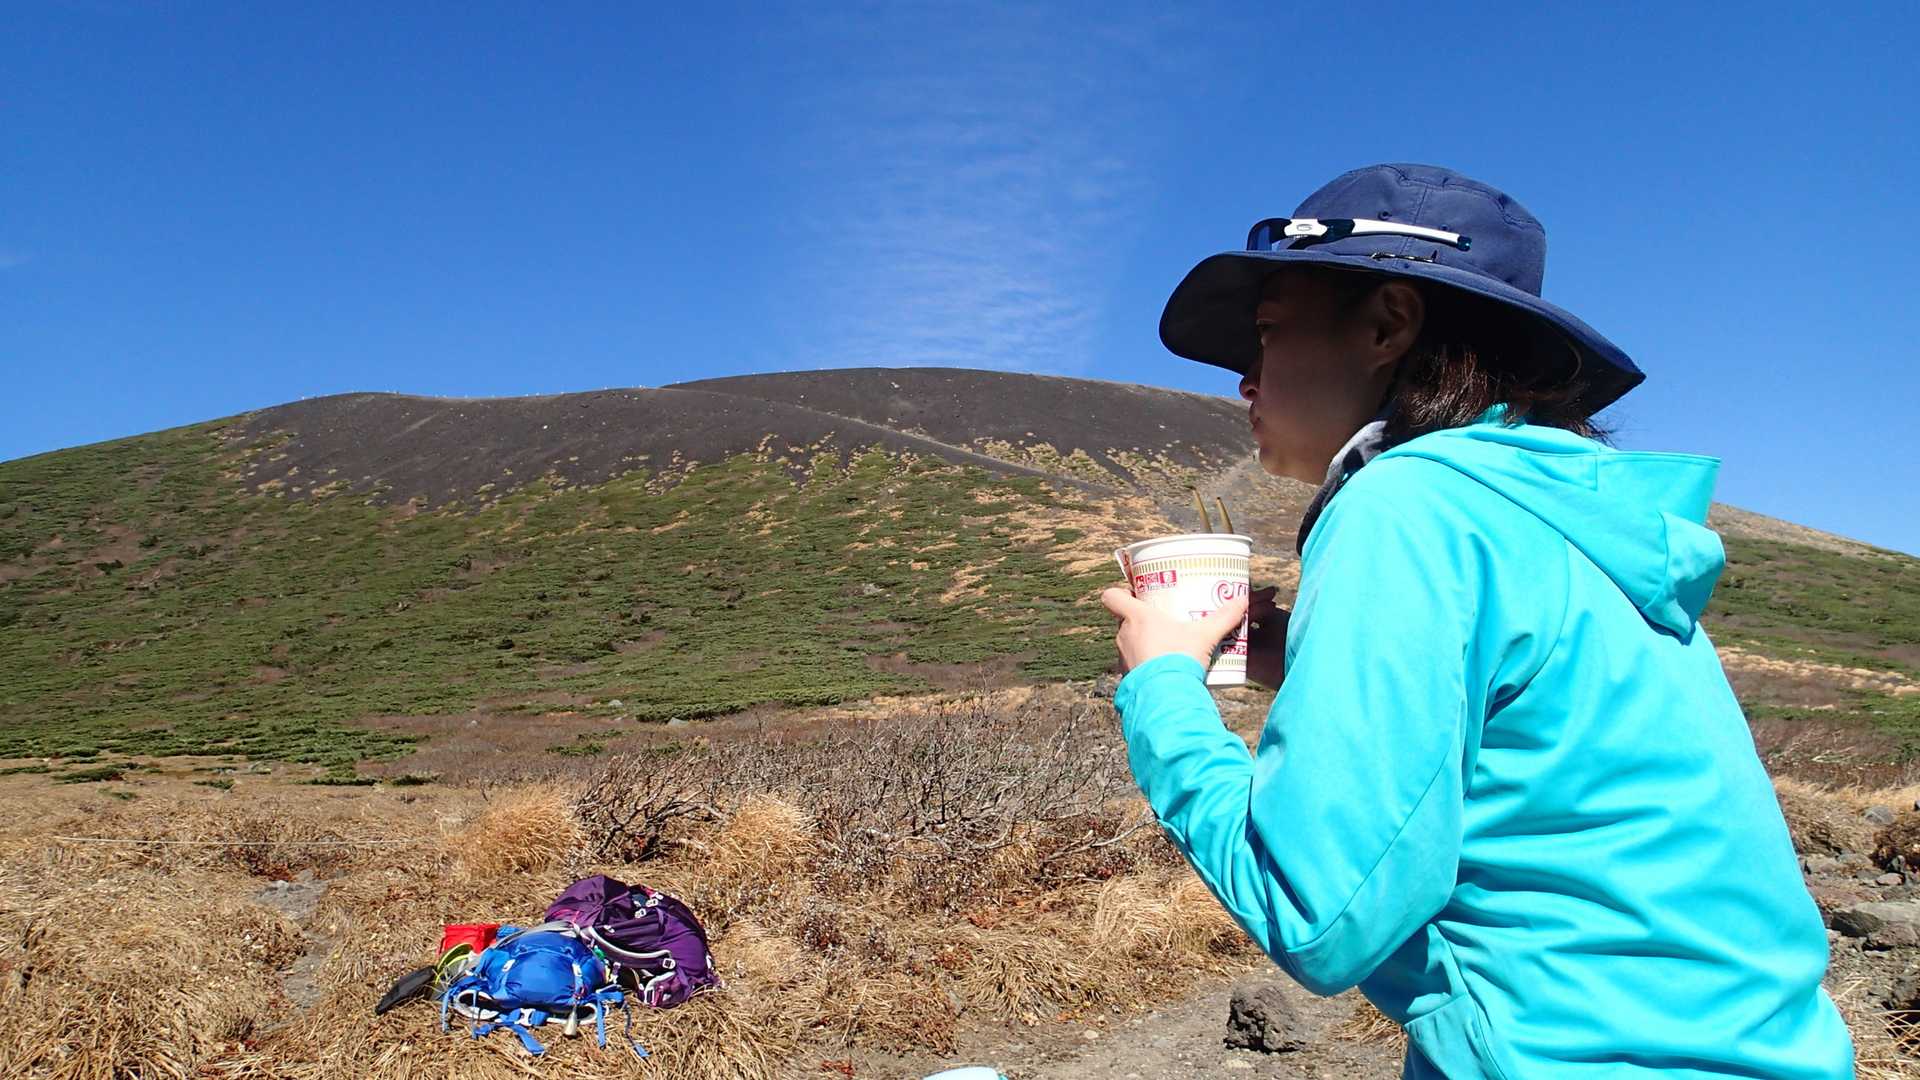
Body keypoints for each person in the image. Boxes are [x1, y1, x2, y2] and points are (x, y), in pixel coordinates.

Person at [1099, 164, 1853, 1078]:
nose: (1244, 381)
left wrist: (1163, 689)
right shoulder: (1558, 514)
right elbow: (1532, 740)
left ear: (1388, 325)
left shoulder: (1405, 505)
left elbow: (1316, 912)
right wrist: (1301, 657)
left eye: (1266, 333)